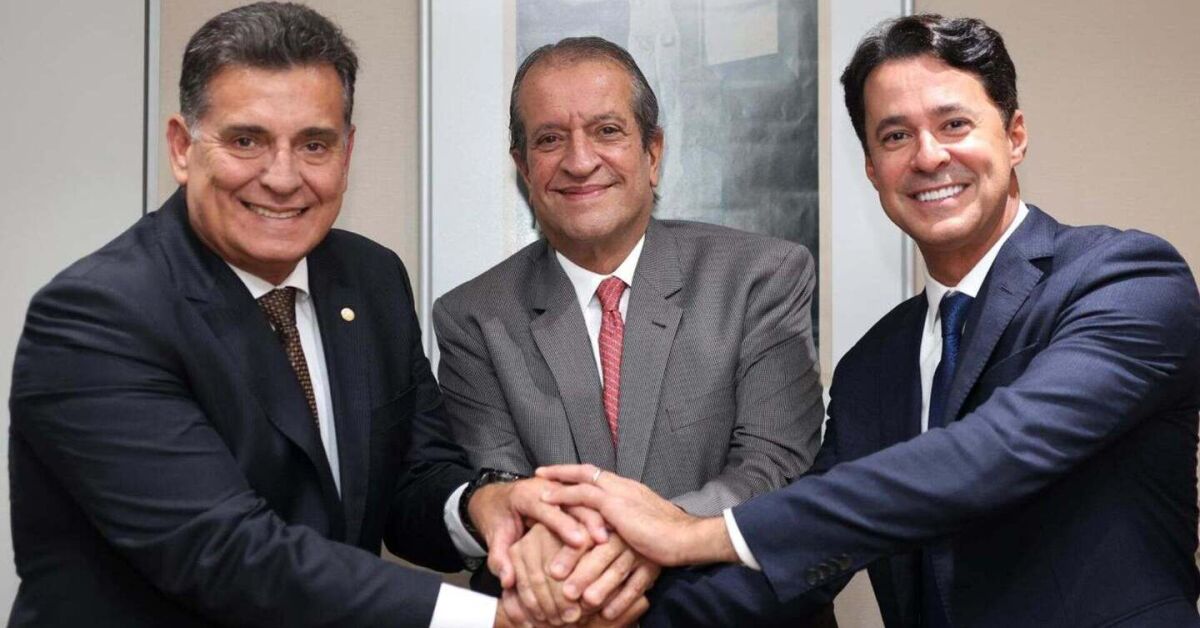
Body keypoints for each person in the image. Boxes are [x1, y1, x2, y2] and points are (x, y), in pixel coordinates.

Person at [539, 14, 1200, 627]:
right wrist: (577, 610)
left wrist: (696, 534)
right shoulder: (872, 366)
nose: (928, 156)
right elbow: (805, 562)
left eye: (954, 124)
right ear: (872, 168)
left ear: (1015, 135)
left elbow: (994, 452)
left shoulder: (1127, 280)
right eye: (895, 135)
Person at [7, 4, 623, 627]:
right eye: (246, 141)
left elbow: (411, 481)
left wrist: (485, 508)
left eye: (313, 144)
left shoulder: (369, 279)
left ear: (347, 152)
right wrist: (492, 621)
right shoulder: (97, 317)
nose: (282, 177)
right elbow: (228, 554)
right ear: (182, 148)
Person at [432, 37, 828, 625]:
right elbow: (506, 493)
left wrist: (654, 536)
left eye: (607, 131)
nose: (579, 160)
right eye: (549, 139)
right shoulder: (473, 318)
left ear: (653, 151)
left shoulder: (760, 277)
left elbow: (775, 466)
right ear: (523, 167)